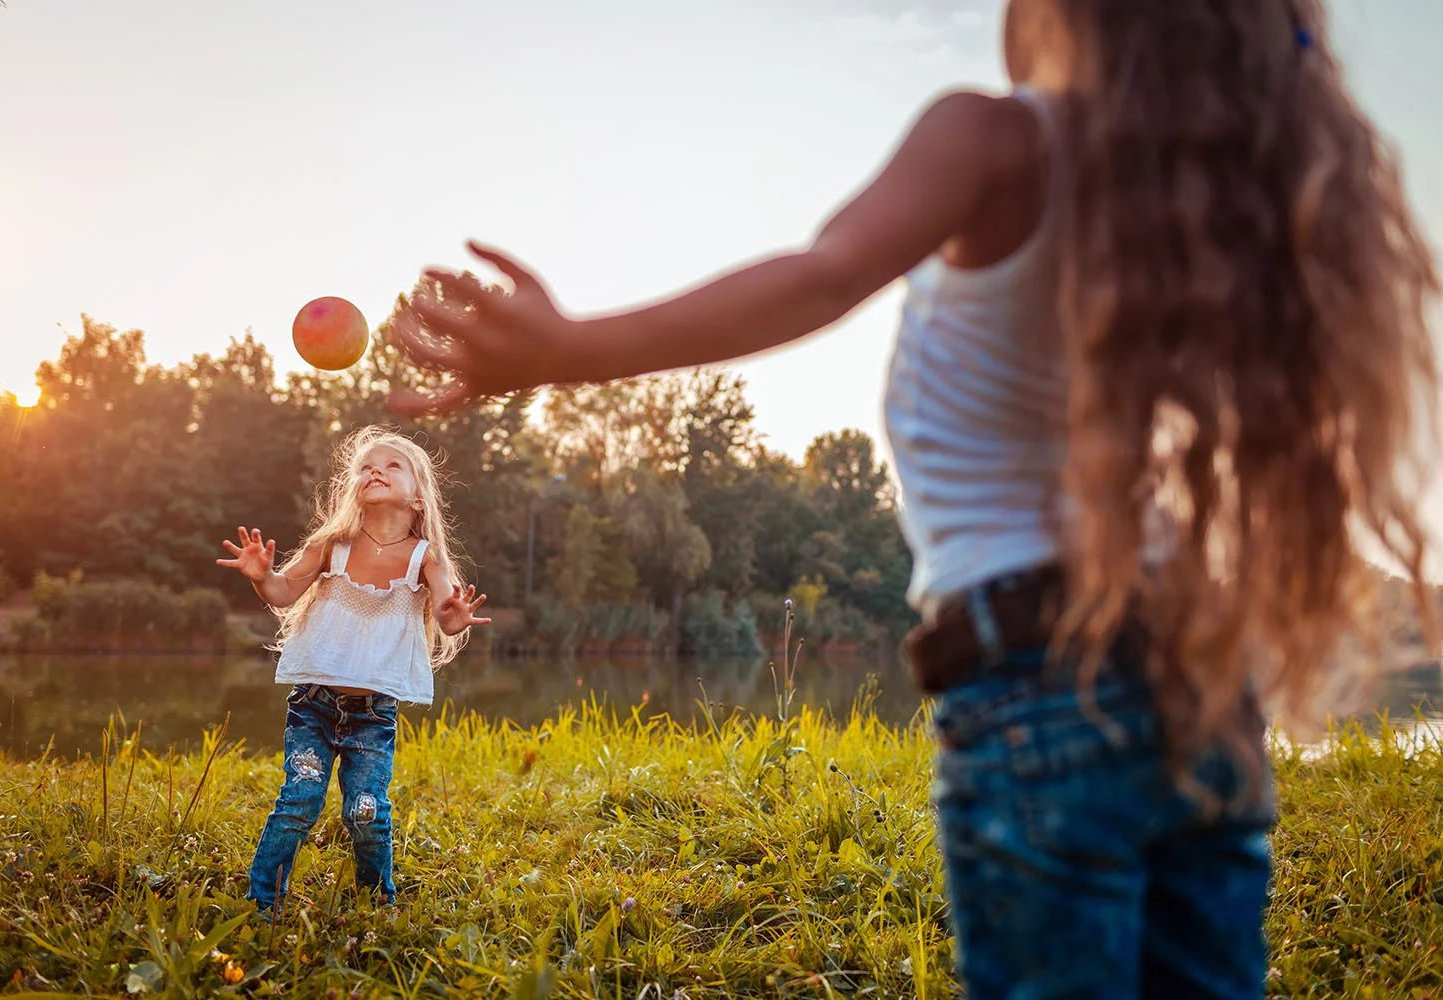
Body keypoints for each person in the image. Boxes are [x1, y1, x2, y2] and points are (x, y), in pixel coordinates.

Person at [385, 0, 1439, 995]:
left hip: (1036, 686)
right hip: (1208, 696)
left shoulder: (991, 140)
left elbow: (820, 274)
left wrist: (570, 351)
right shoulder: (1221, 204)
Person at [217, 426, 490, 912]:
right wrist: (262, 577)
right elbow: (283, 593)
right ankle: (263, 904)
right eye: (365, 467)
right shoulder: (333, 543)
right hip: (313, 706)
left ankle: (375, 902)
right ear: (353, 486)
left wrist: (453, 616)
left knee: (365, 812)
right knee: (299, 801)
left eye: (391, 465)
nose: (374, 472)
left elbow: (448, 613)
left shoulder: (425, 557)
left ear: (419, 496)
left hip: (372, 713)